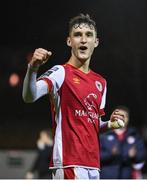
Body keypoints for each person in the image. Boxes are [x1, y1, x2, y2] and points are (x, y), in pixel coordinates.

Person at [22, 13, 126, 179]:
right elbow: (29, 96)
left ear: (96, 42)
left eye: (88, 35)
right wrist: (33, 68)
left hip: (93, 165)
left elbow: (92, 123)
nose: (83, 40)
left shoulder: (101, 82)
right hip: (69, 162)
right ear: (69, 41)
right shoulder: (61, 72)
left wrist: (109, 125)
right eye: (78, 35)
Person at [100, 105, 146, 179]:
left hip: (127, 176)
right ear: (113, 117)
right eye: (119, 115)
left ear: (128, 118)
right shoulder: (104, 135)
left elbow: (141, 157)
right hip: (107, 176)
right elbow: (96, 157)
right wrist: (110, 154)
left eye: (124, 116)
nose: (121, 118)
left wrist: (134, 155)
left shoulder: (135, 135)